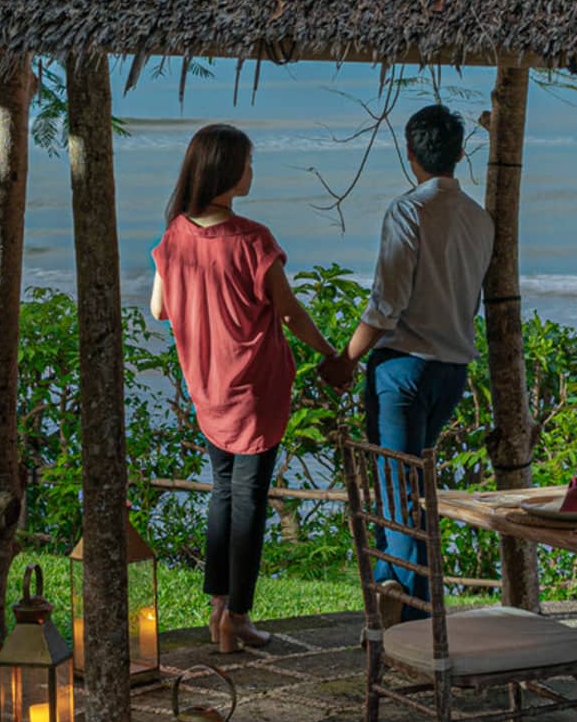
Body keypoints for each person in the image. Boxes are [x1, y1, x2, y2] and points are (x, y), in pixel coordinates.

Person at [150, 123, 346, 654]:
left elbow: (159, 309)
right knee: (249, 499)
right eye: (248, 163)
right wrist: (331, 354)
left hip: (208, 386)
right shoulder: (252, 239)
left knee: (222, 492)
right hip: (255, 389)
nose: (252, 171)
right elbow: (291, 313)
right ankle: (237, 615)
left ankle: (218, 609)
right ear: (228, 171)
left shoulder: (175, 235)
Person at [321, 104, 493, 613]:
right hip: (452, 371)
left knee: (397, 498)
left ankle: (419, 615)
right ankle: (388, 594)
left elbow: (386, 303)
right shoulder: (480, 221)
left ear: (411, 154)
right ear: (460, 153)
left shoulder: (407, 211)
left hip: (402, 370)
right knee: (408, 489)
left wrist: (346, 359)